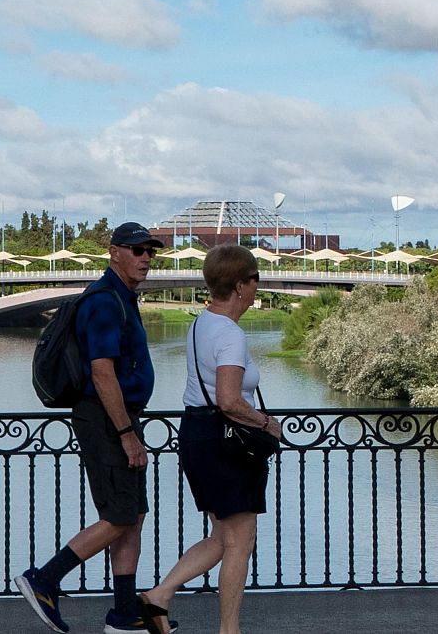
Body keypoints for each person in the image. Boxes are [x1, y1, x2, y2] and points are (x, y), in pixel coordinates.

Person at [15, 222, 166, 634]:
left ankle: (123, 613)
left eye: (150, 252)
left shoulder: (121, 297)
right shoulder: (103, 302)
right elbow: (102, 374)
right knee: (118, 515)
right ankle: (44, 579)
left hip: (118, 417)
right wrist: (126, 434)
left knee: (132, 515)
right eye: (137, 251)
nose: (146, 258)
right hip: (105, 420)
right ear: (114, 252)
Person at [139, 244, 279, 634]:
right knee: (240, 542)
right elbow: (230, 400)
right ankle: (229, 630)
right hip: (226, 442)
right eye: (255, 280)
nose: (256, 288)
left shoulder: (201, 324)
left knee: (222, 536)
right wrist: (266, 423)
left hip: (198, 434)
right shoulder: (230, 335)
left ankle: (158, 596)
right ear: (240, 286)